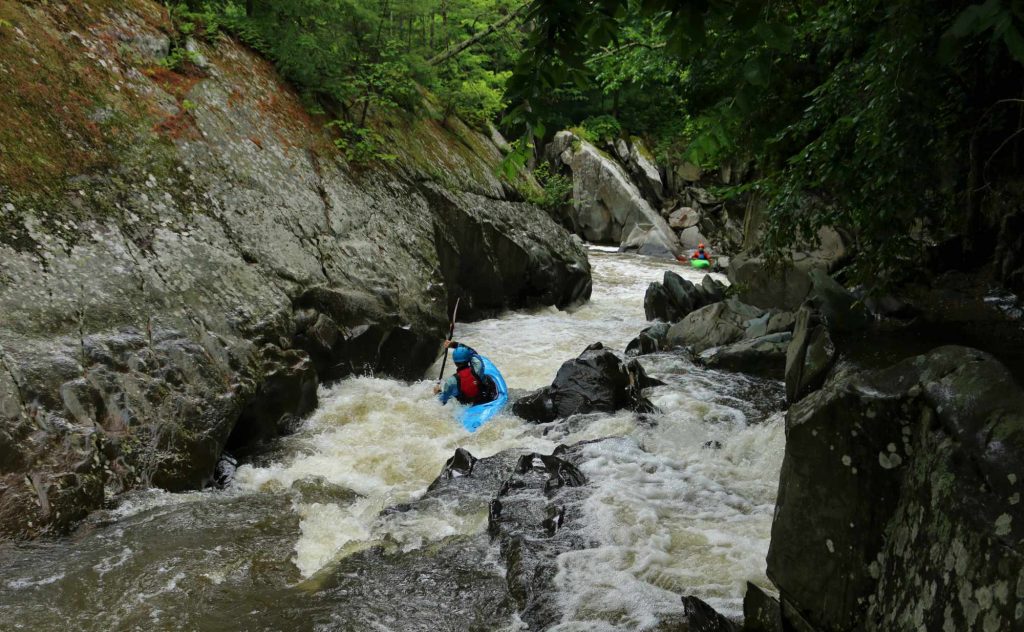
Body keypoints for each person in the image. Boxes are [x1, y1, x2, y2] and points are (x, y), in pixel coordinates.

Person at [433, 340, 497, 406]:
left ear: (455, 362)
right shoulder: (478, 367)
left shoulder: (451, 381)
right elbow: (473, 352)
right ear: (468, 359)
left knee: (454, 395)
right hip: (484, 397)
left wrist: (438, 393)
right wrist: (454, 344)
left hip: (467, 404)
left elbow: (443, 400)